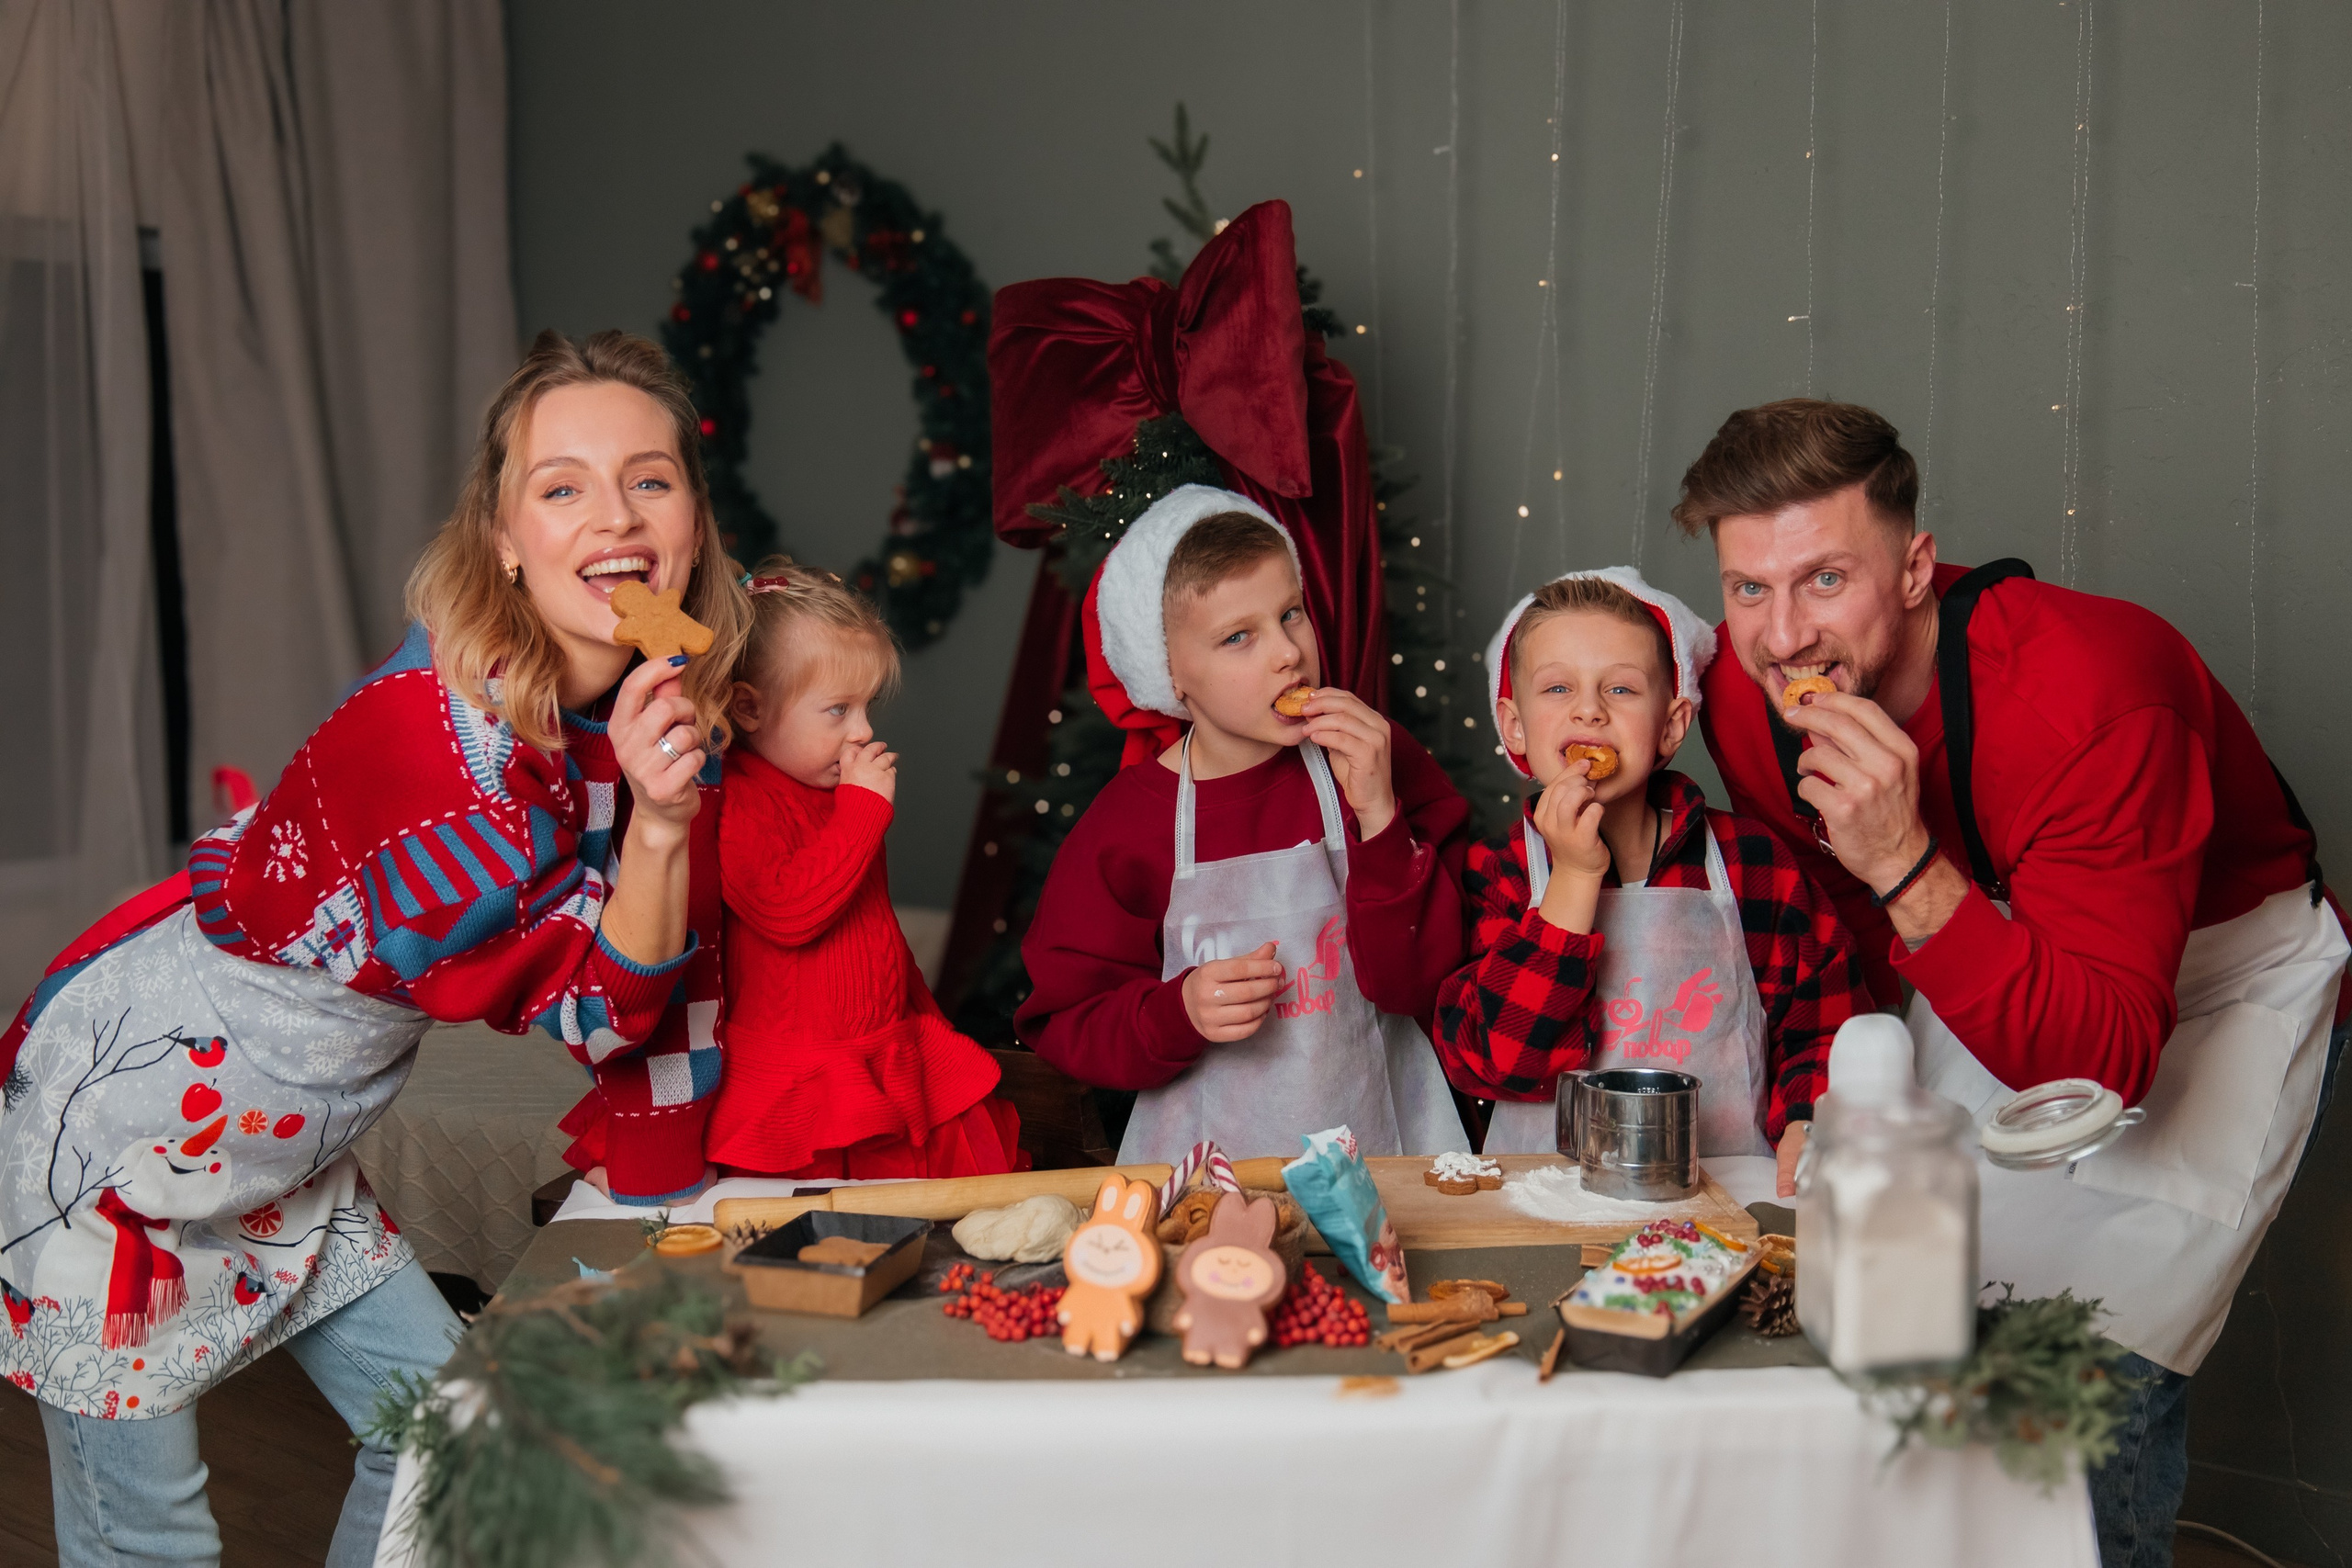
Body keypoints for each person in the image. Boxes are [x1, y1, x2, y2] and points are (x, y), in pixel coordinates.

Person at [0, 329, 744, 1565]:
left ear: (693, 519)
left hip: (284, 1140)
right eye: (562, 485)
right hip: (117, 1132)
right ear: (504, 538)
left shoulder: (588, 694)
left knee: (453, 1433)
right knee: (152, 1540)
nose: (614, 515)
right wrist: (666, 826)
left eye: (650, 479)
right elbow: (604, 1013)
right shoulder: (453, 777)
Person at [1680, 399, 2348, 1568]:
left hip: (2221, 978)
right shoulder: (1754, 699)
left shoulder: (2093, 693)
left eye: (1823, 579)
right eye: (1748, 589)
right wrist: (1826, 1089)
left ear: (1914, 568)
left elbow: (2100, 1063)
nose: (1783, 637)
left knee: (2080, 1385)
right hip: (1972, 925)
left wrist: (1900, 862)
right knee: (1919, 1317)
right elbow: (1837, 921)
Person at [1018, 486, 1472, 1162]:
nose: (1287, 652)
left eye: (1291, 614)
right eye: (1239, 637)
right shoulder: (1129, 822)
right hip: (1206, 1187)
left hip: (1391, 1155)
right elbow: (1065, 1017)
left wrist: (1380, 816)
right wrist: (1178, 1013)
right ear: (1169, 673)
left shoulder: (1376, 758)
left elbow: (1432, 980)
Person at [1432, 569, 1865, 1191]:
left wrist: (1807, 1113)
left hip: (1728, 1196)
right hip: (1545, 1200)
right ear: (1514, 725)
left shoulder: (1748, 862)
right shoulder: (1495, 873)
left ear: (1671, 724)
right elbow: (1501, 1059)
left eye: (1621, 688)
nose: (1589, 709)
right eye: (1557, 687)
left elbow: (1824, 1016)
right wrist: (1576, 878)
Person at [706, 559, 1022, 1179]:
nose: (864, 730)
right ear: (748, 707)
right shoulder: (737, 799)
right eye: (838, 710)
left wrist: (922, 1018)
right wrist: (862, 812)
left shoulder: (840, 795)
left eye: (867, 705)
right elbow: (787, 911)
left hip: (881, 1047)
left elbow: (874, 932)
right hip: (804, 1072)